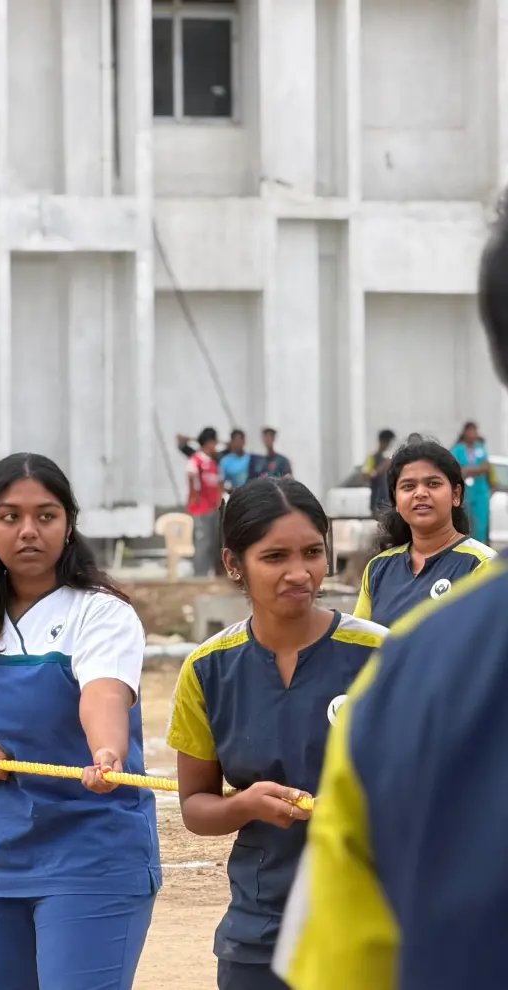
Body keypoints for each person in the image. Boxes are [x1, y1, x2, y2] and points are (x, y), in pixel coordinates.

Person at [271, 195, 508, 990]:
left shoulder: (475, 579)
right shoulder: (380, 582)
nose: (418, 498)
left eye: (432, 485)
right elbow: (363, 655)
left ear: (458, 490)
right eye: (406, 486)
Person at [0, 452, 161, 990]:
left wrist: (106, 750)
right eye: (10, 516)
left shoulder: (101, 612)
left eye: (46, 515)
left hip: (91, 852)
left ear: (69, 524)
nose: (28, 530)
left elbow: (102, 694)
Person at [167, 478, 386, 990]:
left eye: (313, 552)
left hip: (372, 925)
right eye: (275, 556)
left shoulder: (384, 656)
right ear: (233, 563)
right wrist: (245, 806)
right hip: (260, 933)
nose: (299, 572)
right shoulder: (206, 670)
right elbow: (195, 807)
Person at [352, 438, 494, 626]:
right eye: (408, 486)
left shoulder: (482, 566)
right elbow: (358, 643)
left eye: (433, 484)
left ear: (456, 495)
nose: (420, 493)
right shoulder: (377, 569)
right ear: (396, 500)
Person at [187, 428, 224, 577]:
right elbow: (192, 478)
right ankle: (200, 574)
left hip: (213, 508)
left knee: (213, 542)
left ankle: (212, 573)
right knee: (202, 541)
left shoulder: (214, 461)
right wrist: (195, 497)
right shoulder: (196, 460)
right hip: (200, 509)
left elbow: (219, 482)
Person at [452, 420, 492, 544]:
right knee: (466, 522)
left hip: (481, 492)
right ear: (464, 432)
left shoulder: (480, 448)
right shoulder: (458, 449)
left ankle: (481, 548)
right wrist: (477, 469)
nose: (472, 434)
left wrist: (469, 470)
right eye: (470, 431)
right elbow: (457, 470)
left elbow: (487, 467)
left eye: (475, 431)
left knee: (481, 524)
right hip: (465, 493)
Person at [361, 429, 396, 518]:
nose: (387, 445)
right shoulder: (372, 457)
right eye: (386, 441)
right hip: (377, 501)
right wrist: (382, 467)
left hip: (389, 500)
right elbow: (366, 476)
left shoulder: (390, 457)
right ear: (381, 441)